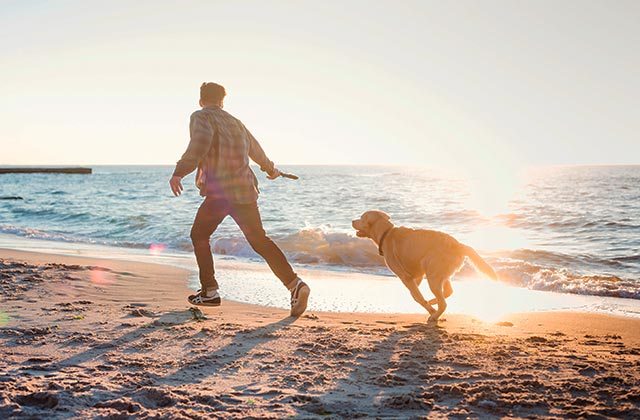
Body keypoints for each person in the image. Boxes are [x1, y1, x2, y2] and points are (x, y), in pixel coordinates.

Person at [169, 82, 310, 317]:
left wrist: (179, 171)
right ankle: (295, 285)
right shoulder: (236, 122)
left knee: (199, 235)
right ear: (222, 101)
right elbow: (256, 150)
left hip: (220, 192)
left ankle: (210, 291)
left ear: (201, 99)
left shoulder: (200, 116)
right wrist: (270, 168)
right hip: (245, 190)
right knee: (260, 240)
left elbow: (200, 144)